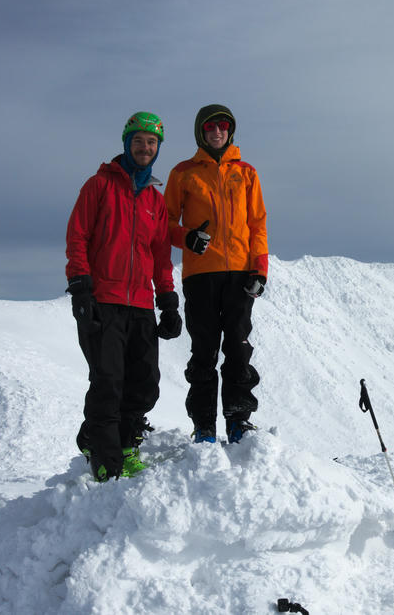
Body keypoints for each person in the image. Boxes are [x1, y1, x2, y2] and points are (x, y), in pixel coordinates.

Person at [65, 111, 183, 481]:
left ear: (157, 148)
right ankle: (105, 456)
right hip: (103, 300)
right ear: (126, 143)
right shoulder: (99, 185)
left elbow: (160, 255)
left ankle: (125, 443)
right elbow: (78, 236)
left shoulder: (155, 199)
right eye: (138, 140)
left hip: (141, 305)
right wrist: (81, 286)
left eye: (151, 142)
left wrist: (168, 301)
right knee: (108, 381)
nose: (145, 147)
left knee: (144, 382)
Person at [164, 103, 268, 444]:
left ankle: (238, 420)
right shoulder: (183, 173)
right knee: (204, 350)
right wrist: (187, 238)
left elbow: (257, 225)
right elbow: (164, 225)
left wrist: (260, 270)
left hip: (239, 274)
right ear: (201, 133)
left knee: (238, 348)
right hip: (200, 275)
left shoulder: (247, 173)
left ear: (231, 131)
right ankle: (204, 426)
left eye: (223, 125)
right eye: (210, 127)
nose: (217, 131)